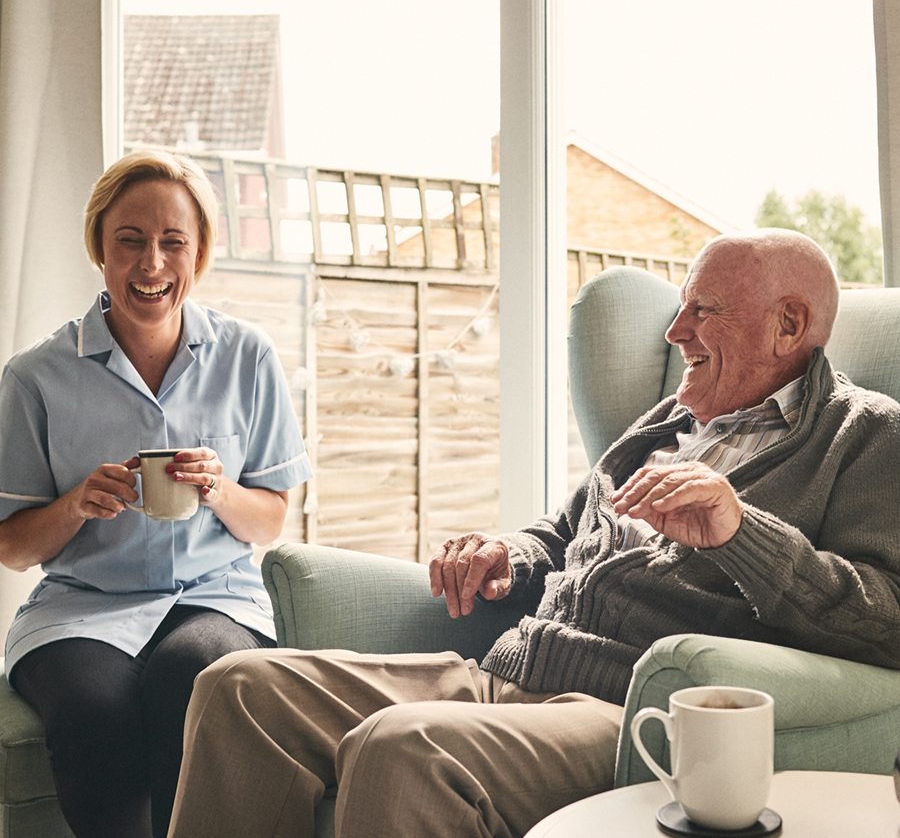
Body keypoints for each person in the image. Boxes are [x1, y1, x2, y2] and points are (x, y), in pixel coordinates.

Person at [166, 229, 900, 838]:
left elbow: (885, 618)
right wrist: (508, 554)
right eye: (680, 310)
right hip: (506, 670)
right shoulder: (671, 420)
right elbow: (563, 529)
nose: (677, 334)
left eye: (703, 311)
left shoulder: (863, 436)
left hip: (626, 711)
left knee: (404, 749)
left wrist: (740, 531)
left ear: (789, 325)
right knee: (239, 688)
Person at [0, 150, 312, 838]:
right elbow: (13, 547)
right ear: (99, 248)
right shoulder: (34, 378)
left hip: (214, 595)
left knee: (199, 678)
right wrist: (76, 503)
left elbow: (272, 519)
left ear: (198, 253)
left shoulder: (248, 356)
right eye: (130, 241)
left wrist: (219, 490)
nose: (152, 265)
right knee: (91, 710)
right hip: (80, 607)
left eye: (173, 242)